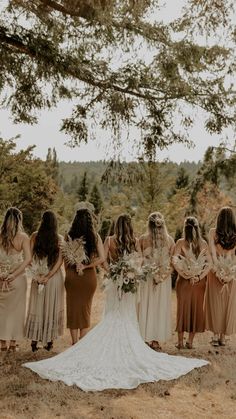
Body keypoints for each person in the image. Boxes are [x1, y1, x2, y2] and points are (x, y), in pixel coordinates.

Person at [23, 213, 208, 391]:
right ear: (129, 226)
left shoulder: (109, 240)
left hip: (115, 282)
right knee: (127, 314)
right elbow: (139, 260)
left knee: (112, 314)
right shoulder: (134, 241)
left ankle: (81, 342)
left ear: (116, 226)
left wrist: (112, 272)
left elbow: (104, 260)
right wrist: (130, 272)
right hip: (129, 283)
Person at [25, 210, 64, 352]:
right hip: (53, 277)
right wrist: (48, 276)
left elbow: (28, 258)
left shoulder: (35, 236)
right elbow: (60, 261)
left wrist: (37, 275)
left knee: (37, 306)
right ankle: (49, 342)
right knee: (51, 306)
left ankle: (34, 342)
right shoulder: (59, 238)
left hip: (39, 275)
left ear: (42, 221)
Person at [64, 208, 104, 344]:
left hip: (72, 275)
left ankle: (74, 343)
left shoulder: (68, 235)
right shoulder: (95, 236)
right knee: (85, 310)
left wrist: (71, 270)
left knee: (73, 310)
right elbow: (102, 258)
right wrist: (86, 266)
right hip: (88, 277)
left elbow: (64, 258)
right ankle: (82, 344)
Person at [173, 216, 211, 350]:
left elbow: (175, 262)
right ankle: (189, 342)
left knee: (182, 310)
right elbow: (209, 264)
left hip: (184, 282)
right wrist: (199, 277)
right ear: (197, 228)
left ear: (185, 228)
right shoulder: (204, 243)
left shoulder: (180, 243)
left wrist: (185, 275)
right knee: (196, 310)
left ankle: (180, 342)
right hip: (199, 283)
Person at [138, 212, 174, 350]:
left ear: (149, 224)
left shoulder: (142, 239)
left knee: (147, 306)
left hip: (147, 278)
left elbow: (139, 261)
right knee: (159, 307)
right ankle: (155, 340)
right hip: (162, 279)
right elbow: (173, 264)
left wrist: (151, 272)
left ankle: (145, 338)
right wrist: (162, 276)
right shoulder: (170, 240)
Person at [0, 207, 31, 352]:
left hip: (2, 278)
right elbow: (28, 259)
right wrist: (14, 274)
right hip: (18, 279)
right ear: (19, 220)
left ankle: (2, 343)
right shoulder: (23, 237)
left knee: (2, 311)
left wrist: (2, 273)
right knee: (17, 311)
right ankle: (13, 343)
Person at [205, 207, 236, 346]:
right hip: (231, 273)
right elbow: (232, 256)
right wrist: (229, 273)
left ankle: (215, 336)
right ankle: (223, 337)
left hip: (215, 273)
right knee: (227, 304)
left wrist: (218, 272)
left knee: (215, 304)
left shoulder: (213, 232)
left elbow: (212, 254)